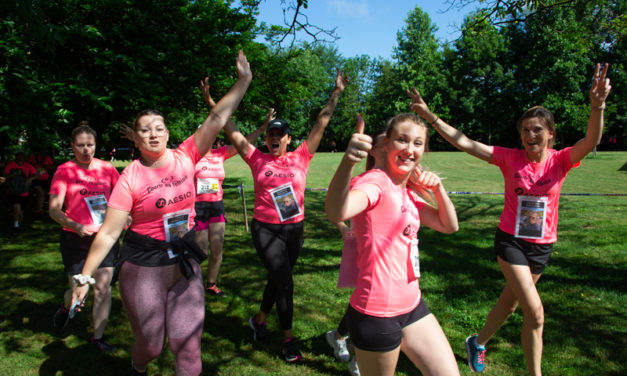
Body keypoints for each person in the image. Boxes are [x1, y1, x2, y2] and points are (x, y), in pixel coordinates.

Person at [407, 62, 612, 375]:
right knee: (536, 313)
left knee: (512, 303)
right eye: (525, 130)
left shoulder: (561, 161)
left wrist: (597, 105)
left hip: (542, 246)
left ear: (550, 135)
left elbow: (591, 140)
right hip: (511, 242)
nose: (530, 135)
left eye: (537, 130)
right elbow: (464, 142)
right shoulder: (509, 157)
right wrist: (431, 117)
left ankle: (477, 341)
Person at [71, 50, 252, 376]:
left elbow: (216, 119)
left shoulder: (186, 156)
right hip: (144, 266)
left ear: (168, 132)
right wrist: (85, 276)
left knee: (188, 349)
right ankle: (138, 363)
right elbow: (110, 232)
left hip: (184, 261)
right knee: (151, 346)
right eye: (145, 129)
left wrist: (244, 80)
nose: (153, 133)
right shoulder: (130, 177)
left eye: (159, 127)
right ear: (136, 138)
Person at [224, 68, 348, 362]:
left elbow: (321, 122)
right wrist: (213, 103)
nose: (275, 138)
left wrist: (336, 94)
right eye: (271, 134)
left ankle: (259, 319)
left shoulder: (302, 156)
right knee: (286, 282)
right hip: (265, 230)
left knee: (278, 279)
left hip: (294, 229)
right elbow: (231, 129)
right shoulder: (257, 158)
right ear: (266, 139)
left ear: (289, 139)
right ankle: (288, 340)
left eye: (280, 134)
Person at [326, 113, 460, 376]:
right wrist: (347, 162)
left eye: (418, 143)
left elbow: (449, 225)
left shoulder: (405, 191)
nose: (410, 149)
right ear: (386, 144)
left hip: (413, 307)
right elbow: (337, 211)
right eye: (402, 140)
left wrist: (438, 189)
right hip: (377, 315)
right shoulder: (376, 182)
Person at [195, 77, 274, 297]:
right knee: (200, 251)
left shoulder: (220, 153)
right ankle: (191, 284)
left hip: (216, 207)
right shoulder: (191, 155)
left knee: (217, 249)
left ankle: (211, 284)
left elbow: (244, 141)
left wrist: (263, 127)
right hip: (197, 208)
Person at [48, 124, 120, 351]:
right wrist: (75, 224)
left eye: (90, 145)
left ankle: (97, 338)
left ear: (96, 145)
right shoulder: (64, 171)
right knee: (79, 292)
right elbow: (54, 209)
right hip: (75, 238)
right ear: (72, 146)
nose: (86, 150)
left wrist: (124, 218)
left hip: (104, 238)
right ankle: (67, 304)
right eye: (80, 145)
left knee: (103, 288)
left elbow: (123, 200)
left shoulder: (107, 169)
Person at [325, 127, 387, 376]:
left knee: (370, 302)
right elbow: (336, 208)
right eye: (384, 144)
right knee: (369, 301)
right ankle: (357, 356)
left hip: (390, 253)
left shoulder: (399, 180)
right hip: (366, 250)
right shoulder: (365, 180)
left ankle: (339, 336)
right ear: (374, 150)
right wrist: (343, 229)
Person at [3, 150, 39, 232]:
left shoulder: (28, 166)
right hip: (13, 191)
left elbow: (37, 174)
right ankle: (16, 225)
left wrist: (30, 179)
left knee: (20, 211)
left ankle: (18, 223)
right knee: (16, 207)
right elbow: (5, 177)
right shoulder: (11, 165)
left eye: (21, 155)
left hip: (24, 191)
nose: (20, 157)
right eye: (18, 155)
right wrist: (14, 173)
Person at [28, 150, 54, 215]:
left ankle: (40, 207)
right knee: (40, 193)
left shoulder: (47, 158)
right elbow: (27, 165)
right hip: (35, 178)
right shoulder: (32, 157)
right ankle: (39, 209)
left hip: (45, 178)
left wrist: (46, 166)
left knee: (42, 194)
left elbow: (51, 167)